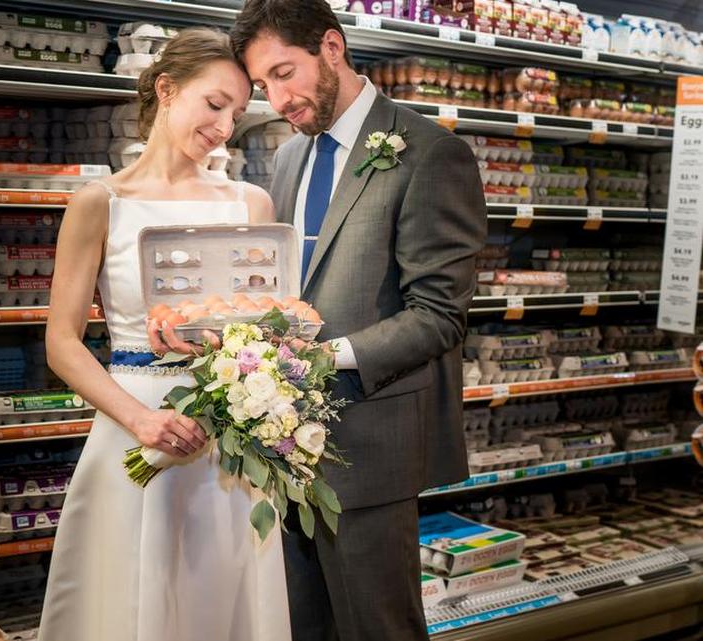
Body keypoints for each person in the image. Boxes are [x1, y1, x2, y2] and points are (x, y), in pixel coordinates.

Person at [228, 2, 487, 640]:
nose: (279, 97)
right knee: (303, 624)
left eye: (286, 73)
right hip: (284, 441)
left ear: (332, 48)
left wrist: (327, 358)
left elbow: (439, 316)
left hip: (372, 438)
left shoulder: (430, 153)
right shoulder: (289, 160)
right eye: (264, 86)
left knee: (378, 627)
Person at [39, 27, 294, 640]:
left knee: (216, 599)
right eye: (214, 104)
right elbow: (62, 343)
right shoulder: (99, 203)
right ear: (166, 89)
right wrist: (142, 421)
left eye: (236, 112)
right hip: (134, 434)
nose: (225, 127)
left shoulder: (250, 204)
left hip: (226, 440)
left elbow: (270, 329)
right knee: (125, 603)